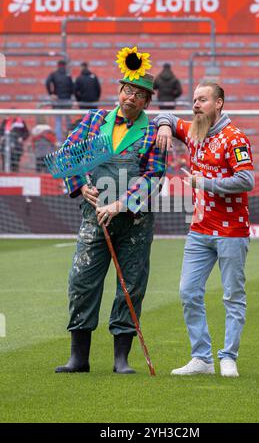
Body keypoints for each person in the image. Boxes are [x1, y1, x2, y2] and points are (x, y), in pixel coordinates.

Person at [55, 47, 166, 374]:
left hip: (135, 223)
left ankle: (121, 359)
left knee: (131, 286)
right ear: (118, 92)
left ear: (147, 102)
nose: (130, 97)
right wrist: (82, 186)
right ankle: (79, 358)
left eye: (138, 94)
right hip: (94, 219)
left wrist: (120, 204)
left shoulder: (153, 132)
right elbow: (66, 157)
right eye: (126, 90)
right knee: (81, 281)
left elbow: (154, 177)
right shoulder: (93, 122)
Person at [155, 81, 254, 378]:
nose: (196, 104)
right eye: (194, 99)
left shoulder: (234, 138)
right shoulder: (193, 131)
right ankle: (202, 358)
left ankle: (228, 356)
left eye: (203, 100)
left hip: (232, 231)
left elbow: (247, 180)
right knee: (187, 291)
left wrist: (204, 183)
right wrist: (163, 126)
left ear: (219, 103)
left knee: (232, 295)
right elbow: (170, 119)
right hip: (199, 229)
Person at [45, 60, 74, 144]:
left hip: (57, 100)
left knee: (58, 121)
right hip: (67, 100)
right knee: (68, 121)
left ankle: (58, 141)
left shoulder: (54, 74)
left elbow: (47, 82)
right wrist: (70, 95)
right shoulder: (68, 75)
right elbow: (72, 87)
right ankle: (70, 140)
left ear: (58, 65)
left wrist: (51, 94)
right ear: (65, 66)